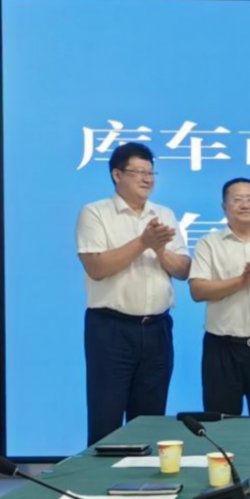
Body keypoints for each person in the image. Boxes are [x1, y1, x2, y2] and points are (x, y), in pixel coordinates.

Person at [76, 142, 190, 444]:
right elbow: (96, 267)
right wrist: (143, 242)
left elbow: (183, 269)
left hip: (157, 329)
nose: (147, 179)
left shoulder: (164, 214)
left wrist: (160, 249)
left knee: (150, 423)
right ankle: (98, 476)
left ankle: (147, 475)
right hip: (111, 330)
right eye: (139, 172)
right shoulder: (95, 213)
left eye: (150, 173)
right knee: (106, 418)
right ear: (117, 175)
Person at [189, 178, 250, 417]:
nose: (245, 205)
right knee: (221, 424)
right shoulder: (209, 244)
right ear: (224, 206)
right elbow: (198, 291)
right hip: (221, 349)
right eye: (237, 200)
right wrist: (241, 281)